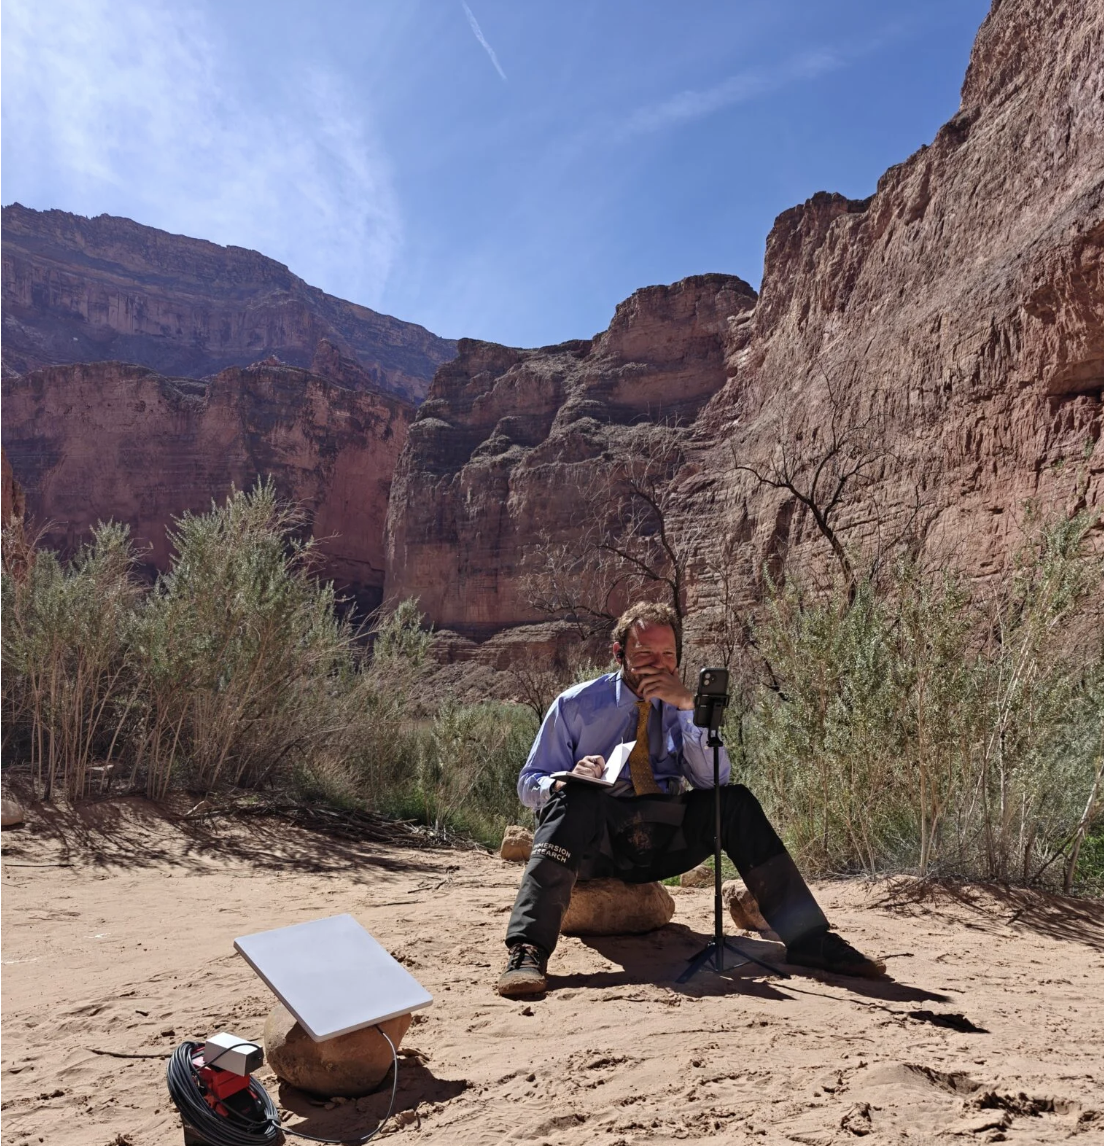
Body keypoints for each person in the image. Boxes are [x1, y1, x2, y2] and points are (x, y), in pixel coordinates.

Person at [497, 601, 886, 997]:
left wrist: (689, 710)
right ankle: (527, 950)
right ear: (619, 654)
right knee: (572, 800)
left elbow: (713, 780)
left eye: (667, 654)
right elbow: (529, 783)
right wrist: (565, 781)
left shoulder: (685, 705)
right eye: (644, 653)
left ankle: (810, 940)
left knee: (734, 802)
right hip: (599, 843)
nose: (657, 663)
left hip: (664, 837)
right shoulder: (575, 704)